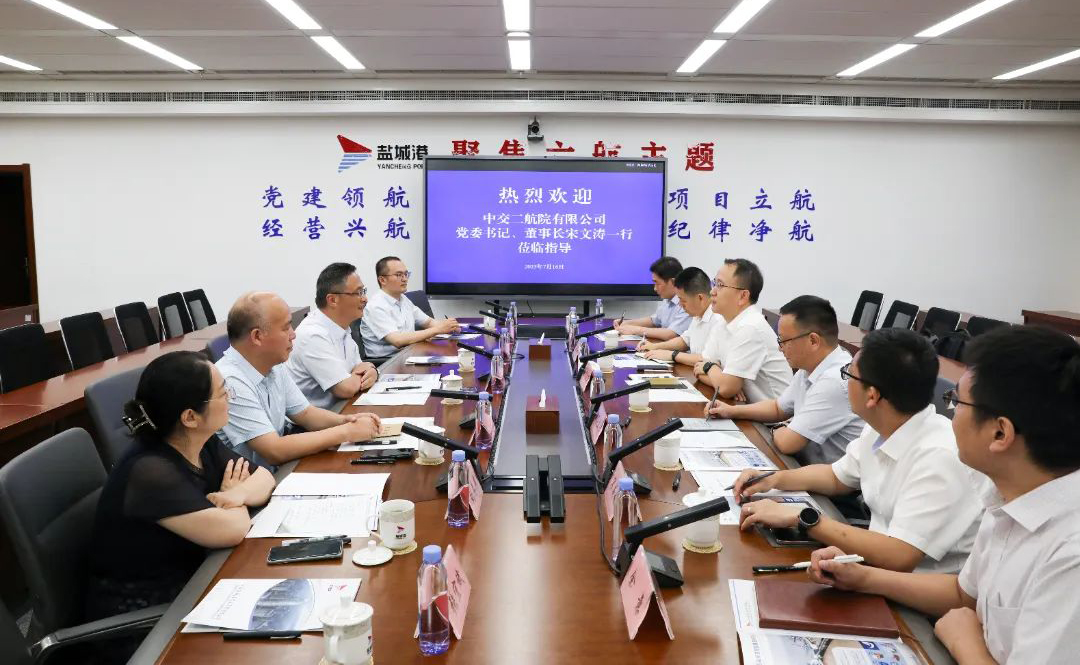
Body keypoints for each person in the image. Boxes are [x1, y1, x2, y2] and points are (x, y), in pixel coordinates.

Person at [807, 326, 1080, 664]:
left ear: (1000, 433)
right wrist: (862, 578)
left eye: (956, 402)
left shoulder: (1070, 555)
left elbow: (962, 619)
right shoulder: (1006, 496)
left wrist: (965, 640)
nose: (949, 415)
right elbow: (963, 595)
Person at [734, 328, 984, 573]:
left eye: (848, 374)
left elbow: (899, 556)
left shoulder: (939, 456)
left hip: (909, 589)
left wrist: (801, 517)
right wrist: (772, 479)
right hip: (873, 563)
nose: (845, 382)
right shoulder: (882, 425)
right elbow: (836, 477)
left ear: (872, 396)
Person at [87, 350, 276, 622]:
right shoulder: (149, 472)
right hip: (148, 613)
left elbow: (264, 478)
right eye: (223, 393)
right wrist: (230, 495)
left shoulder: (200, 440)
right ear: (190, 417)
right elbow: (233, 530)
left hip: (198, 579)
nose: (230, 398)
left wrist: (238, 493)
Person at [217, 292, 380, 468]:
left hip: (274, 471)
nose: (293, 334)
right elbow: (274, 451)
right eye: (286, 328)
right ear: (257, 336)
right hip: (253, 479)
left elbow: (305, 414)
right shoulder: (228, 382)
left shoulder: (272, 363)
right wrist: (346, 432)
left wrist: (348, 420)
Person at [705, 295, 864, 465]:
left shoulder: (834, 381)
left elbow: (787, 443)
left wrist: (779, 426)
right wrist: (731, 410)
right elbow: (778, 407)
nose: (780, 348)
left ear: (813, 341)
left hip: (823, 477)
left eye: (784, 340)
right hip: (802, 464)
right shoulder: (810, 366)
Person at [693, 258, 791, 403]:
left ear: (743, 296)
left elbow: (724, 386)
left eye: (720, 285)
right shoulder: (723, 322)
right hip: (743, 407)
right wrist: (720, 379)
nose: (712, 291)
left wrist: (711, 370)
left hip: (773, 415)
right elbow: (699, 369)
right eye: (714, 283)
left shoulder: (750, 327)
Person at [287, 262, 379, 409]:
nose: (365, 299)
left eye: (364, 291)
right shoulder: (313, 335)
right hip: (318, 419)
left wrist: (373, 371)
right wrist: (365, 373)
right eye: (358, 293)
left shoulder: (341, 327)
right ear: (332, 300)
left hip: (343, 408)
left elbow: (360, 368)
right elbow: (345, 389)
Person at [359, 256, 459, 357]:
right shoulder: (376, 306)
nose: (405, 279)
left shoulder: (403, 299)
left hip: (411, 353)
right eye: (399, 275)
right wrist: (438, 329)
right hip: (389, 361)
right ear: (382, 280)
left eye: (406, 274)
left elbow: (428, 322)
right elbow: (397, 340)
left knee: (453, 354)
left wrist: (449, 326)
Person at [638, 267, 722, 368]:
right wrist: (655, 347)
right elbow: (685, 340)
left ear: (700, 298)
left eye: (683, 300)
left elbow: (709, 360)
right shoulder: (698, 314)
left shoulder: (718, 319)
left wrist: (672, 355)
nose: (680, 305)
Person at [613, 256, 691, 341]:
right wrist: (627, 323)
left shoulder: (687, 302)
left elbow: (671, 334)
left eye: (657, 283)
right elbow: (654, 320)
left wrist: (635, 330)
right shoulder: (667, 299)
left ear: (673, 282)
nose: (655, 289)